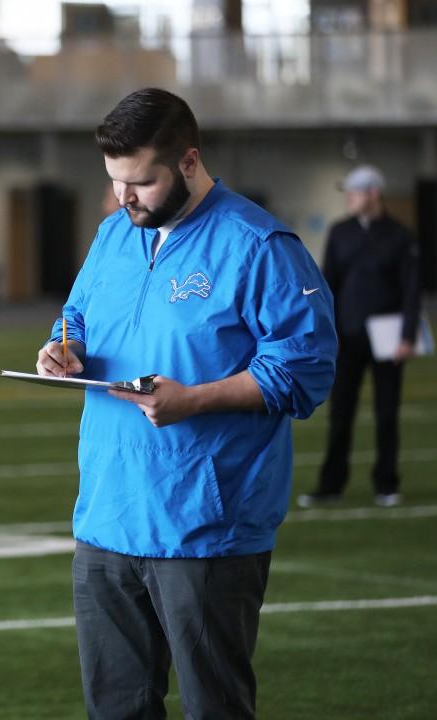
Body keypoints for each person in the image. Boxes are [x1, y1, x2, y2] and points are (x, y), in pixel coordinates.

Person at [34, 88, 337, 719]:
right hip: (108, 516)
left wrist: (195, 400)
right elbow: (79, 314)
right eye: (115, 181)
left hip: (206, 524)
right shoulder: (114, 234)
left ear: (190, 162)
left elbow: (306, 368)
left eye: (140, 182)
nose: (124, 198)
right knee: (115, 709)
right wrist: (63, 349)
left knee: (214, 708)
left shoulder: (257, 244)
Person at [297, 164, 420, 509]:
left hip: (388, 339)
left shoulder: (400, 236)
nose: (349, 198)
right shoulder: (340, 232)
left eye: (355, 191)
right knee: (340, 414)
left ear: (373, 194)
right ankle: (331, 484)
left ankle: (386, 484)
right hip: (346, 338)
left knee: (386, 413)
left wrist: (408, 336)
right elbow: (328, 284)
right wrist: (323, 331)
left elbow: (411, 291)